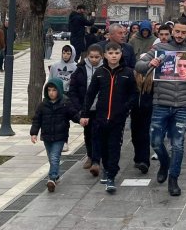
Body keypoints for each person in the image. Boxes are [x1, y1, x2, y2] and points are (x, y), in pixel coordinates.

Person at [136, 20, 186, 196]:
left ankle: (173, 178)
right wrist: (150, 65)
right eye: (178, 31)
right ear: (173, 31)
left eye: (184, 32)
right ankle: (164, 163)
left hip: (183, 104)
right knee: (156, 141)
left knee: (178, 144)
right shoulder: (161, 48)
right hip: (161, 102)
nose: (180, 35)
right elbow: (139, 66)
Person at [80, 42, 137, 193]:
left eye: (116, 53)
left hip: (118, 118)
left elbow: (134, 94)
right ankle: (105, 169)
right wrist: (85, 113)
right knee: (102, 145)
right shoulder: (99, 72)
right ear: (105, 55)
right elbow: (90, 94)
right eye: (110, 53)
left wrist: (125, 108)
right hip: (100, 116)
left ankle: (111, 175)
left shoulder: (128, 72)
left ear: (121, 54)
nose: (113, 56)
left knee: (114, 146)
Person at [30, 77, 81, 192]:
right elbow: (36, 120)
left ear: (59, 90)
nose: (51, 93)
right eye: (49, 90)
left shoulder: (65, 103)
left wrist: (81, 120)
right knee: (51, 157)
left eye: (54, 90)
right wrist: (34, 133)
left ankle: (51, 179)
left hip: (60, 136)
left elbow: (73, 114)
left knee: (54, 157)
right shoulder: (43, 105)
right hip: (47, 136)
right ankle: (56, 175)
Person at [67, 44, 104, 175]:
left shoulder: (105, 69)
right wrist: (79, 108)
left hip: (100, 108)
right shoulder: (80, 69)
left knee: (97, 134)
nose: (94, 59)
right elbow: (73, 90)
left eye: (97, 57)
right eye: (91, 57)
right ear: (87, 56)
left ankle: (96, 161)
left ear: (102, 56)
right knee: (88, 133)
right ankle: (90, 155)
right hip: (86, 108)